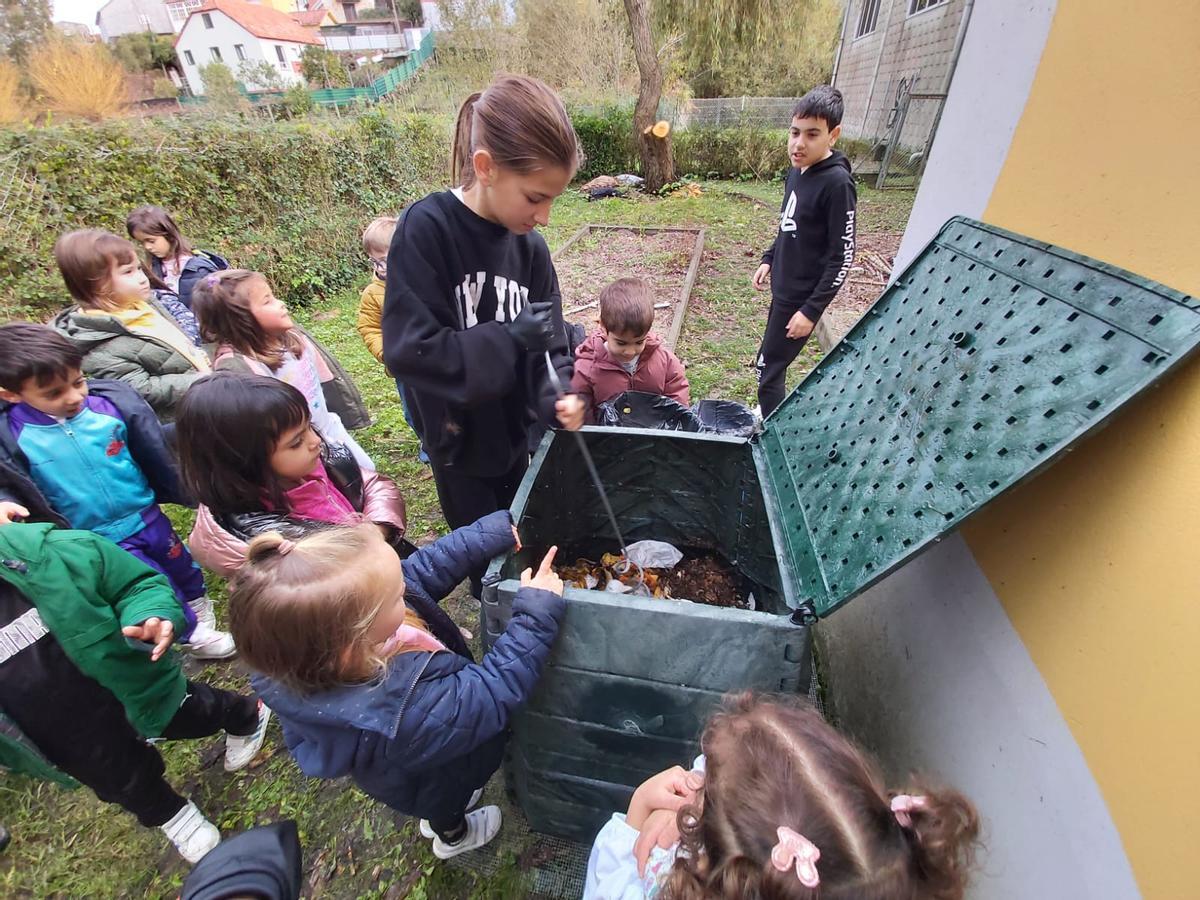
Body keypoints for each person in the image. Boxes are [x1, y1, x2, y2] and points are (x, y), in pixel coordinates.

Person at [227, 513, 565, 860]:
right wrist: (535, 615)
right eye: (395, 596)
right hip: (429, 779)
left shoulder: (316, 648)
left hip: (429, 747)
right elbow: (491, 692)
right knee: (446, 803)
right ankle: (452, 836)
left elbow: (422, 572)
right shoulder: (402, 707)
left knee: (452, 785)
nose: (404, 588)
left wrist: (484, 535)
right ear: (351, 644)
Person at [381, 74, 585, 592]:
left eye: (553, 201)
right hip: (458, 447)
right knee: (486, 561)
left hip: (517, 439)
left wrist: (558, 395)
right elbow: (413, 351)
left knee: (527, 540)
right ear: (486, 167)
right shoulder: (427, 230)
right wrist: (508, 337)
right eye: (536, 197)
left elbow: (551, 347)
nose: (544, 216)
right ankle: (495, 613)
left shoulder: (531, 251)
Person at [0, 521, 270, 864]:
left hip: (132, 689)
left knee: (190, 713)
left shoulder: (43, 554)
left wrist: (149, 613)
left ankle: (245, 715)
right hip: (56, 735)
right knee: (119, 781)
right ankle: (172, 815)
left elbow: (134, 583)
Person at [584, 692, 981, 899]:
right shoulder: (878, 875)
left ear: (708, 864)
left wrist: (639, 812)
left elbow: (607, 884)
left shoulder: (651, 885)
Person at [0, 323, 234, 658]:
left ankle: (197, 602)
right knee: (151, 579)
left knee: (179, 562)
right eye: (53, 393)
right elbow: (7, 481)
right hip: (95, 534)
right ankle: (191, 633)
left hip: (144, 513)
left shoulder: (108, 408)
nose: (74, 396)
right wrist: (4, 502)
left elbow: (150, 445)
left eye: (78, 381)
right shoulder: (11, 437)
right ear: (11, 394)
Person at [175, 372, 407, 577]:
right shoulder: (263, 544)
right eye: (296, 442)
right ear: (243, 461)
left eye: (309, 426)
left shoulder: (320, 460)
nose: (315, 441)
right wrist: (365, 542)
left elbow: (373, 485)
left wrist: (377, 528)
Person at [190, 269, 375, 471]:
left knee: (366, 471)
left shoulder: (291, 337)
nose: (280, 303)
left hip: (326, 427)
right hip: (296, 446)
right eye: (267, 301)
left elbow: (326, 379)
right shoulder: (238, 368)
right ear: (241, 319)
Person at [752, 85, 857, 418]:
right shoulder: (797, 172)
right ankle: (770, 413)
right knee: (767, 365)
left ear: (833, 135)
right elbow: (788, 225)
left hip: (800, 299)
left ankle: (771, 431)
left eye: (812, 134)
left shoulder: (837, 185)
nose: (799, 143)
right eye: (795, 132)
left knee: (767, 370)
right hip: (782, 290)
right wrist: (770, 258)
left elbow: (842, 256)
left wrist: (811, 311)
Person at [51, 229, 211, 421]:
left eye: (139, 268)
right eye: (128, 272)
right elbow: (141, 388)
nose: (143, 277)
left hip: (205, 396)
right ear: (97, 286)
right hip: (182, 419)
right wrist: (200, 381)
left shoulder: (142, 304)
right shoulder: (97, 342)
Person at [355, 215, 428, 464]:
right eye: (374, 261)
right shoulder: (373, 294)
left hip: (433, 359)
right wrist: (387, 353)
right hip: (405, 368)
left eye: (385, 260)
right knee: (414, 410)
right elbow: (369, 327)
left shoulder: (425, 281)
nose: (380, 268)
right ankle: (427, 442)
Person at [570, 277, 690, 423]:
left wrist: (675, 423)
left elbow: (677, 392)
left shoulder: (664, 360)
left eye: (639, 342)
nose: (630, 351)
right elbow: (583, 408)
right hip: (609, 437)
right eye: (621, 343)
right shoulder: (588, 367)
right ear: (603, 326)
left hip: (654, 433)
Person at [126, 205, 229, 309]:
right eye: (141, 242)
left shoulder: (199, 269)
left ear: (168, 234)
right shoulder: (152, 267)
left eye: (151, 241)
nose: (147, 247)